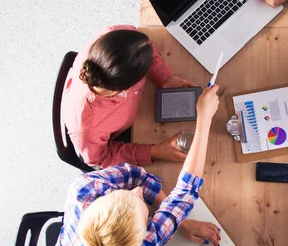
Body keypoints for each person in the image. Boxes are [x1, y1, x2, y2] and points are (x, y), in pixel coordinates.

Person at [55, 86, 221, 246]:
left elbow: (134, 175)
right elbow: (185, 192)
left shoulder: (83, 188)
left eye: (126, 195)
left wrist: (179, 221)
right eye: (144, 208)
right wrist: (204, 121)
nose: (138, 191)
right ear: (144, 233)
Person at [63, 25, 196, 168]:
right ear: (127, 88)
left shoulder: (113, 35)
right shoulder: (87, 129)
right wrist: (155, 151)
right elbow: (101, 158)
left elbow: (145, 44)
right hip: (115, 139)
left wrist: (164, 77)